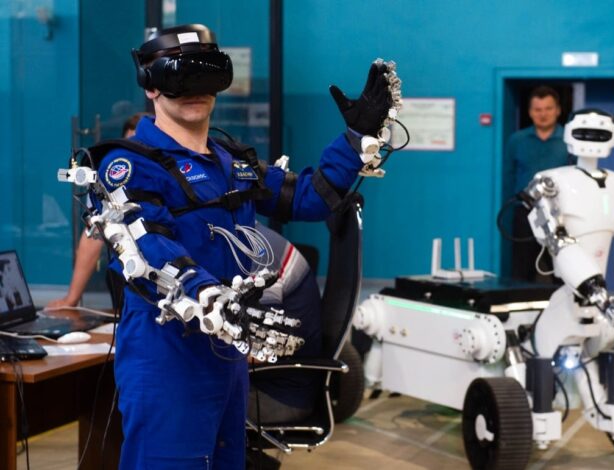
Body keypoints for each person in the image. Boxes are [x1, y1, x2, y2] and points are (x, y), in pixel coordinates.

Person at [82, 24, 398, 469]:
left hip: (228, 354)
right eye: (178, 77)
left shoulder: (231, 163)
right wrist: (209, 296)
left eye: (207, 75)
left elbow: (310, 196)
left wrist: (356, 136)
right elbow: (149, 245)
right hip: (169, 357)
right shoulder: (128, 165)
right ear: (150, 86)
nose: (194, 91)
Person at [47, 112, 148, 310]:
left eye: (141, 146)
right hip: (129, 277)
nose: (134, 155)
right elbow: (93, 237)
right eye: (130, 146)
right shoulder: (110, 179)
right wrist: (71, 299)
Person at [506, 86, 570, 281]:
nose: (543, 114)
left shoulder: (569, 141)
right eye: (538, 109)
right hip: (525, 214)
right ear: (530, 112)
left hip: (560, 215)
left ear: (558, 110)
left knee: (563, 270)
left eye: (548, 108)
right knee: (521, 270)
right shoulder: (517, 141)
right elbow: (508, 175)